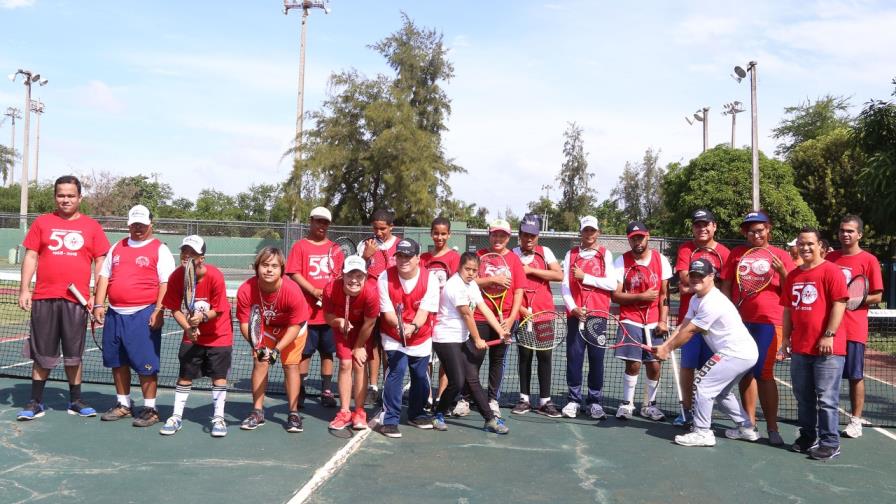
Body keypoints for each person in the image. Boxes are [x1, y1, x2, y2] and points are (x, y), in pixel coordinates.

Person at [16, 175, 111, 421]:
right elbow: (31, 256)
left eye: (70, 195)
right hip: (44, 298)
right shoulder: (42, 223)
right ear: (55, 197)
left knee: (73, 354)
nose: (65, 199)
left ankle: (76, 400)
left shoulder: (92, 227)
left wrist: (95, 295)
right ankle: (35, 402)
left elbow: (101, 262)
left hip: (76, 302)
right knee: (42, 353)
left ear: (79, 197)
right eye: (61, 195)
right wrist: (25, 289)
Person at [654, 258, 759, 447]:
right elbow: (683, 325)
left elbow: (691, 331)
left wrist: (667, 349)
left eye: (700, 275)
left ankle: (702, 432)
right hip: (743, 352)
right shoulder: (696, 299)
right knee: (722, 393)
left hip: (736, 352)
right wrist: (664, 346)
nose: (696, 279)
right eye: (693, 275)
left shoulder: (713, 302)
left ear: (711, 276)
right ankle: (746, 428)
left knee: (703, 384)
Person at [93, 205, 176, 427]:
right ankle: (123, 404)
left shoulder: (160, 249)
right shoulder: (117, 247)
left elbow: (165, 283)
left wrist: (159, 311)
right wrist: (99, 304)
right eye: (134, 224)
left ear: (151, 224)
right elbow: (104, 276)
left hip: (143, 314)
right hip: (115, 314)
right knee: (117, 362)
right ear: (128, 224)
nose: (138, 228)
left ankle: (150, 409)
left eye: (142, 224)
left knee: (145, 364)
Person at [720, 211, 794, 445]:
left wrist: (783, 272)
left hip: (769, 323)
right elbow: (727, 285)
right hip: (740, 323)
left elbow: (790, 291)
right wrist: (727, 312)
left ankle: (772, 428)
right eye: (750, 230)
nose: (755, 233)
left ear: (769, 229)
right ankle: (748, 425)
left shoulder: (781, 255)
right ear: (745, 232)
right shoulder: (736, 254)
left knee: (763, 373)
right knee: (745, 372)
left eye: (760, 229)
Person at [779, 227, 848, 460]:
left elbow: (840, 304)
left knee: (827, 399)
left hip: (828, 349)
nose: (805, 247)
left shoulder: (831, 271)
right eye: (801, 243)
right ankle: (808, 436)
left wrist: (829, 334)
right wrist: (785, 339)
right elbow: (788, 310)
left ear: (820, 246)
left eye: (810, 243)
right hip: (800, 347)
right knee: (803, 396)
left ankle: (830, 442)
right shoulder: (793, 276)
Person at [159, 235, 233, 437]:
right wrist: (189, 329)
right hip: (192, 336)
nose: (187, 256)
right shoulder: (176, 277)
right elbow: (174, 308)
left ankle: (218, 418)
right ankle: (176, 416)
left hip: (219, 334)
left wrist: (201, 318)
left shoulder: (215, 276)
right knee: (184, 376)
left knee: (219, 377)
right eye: (184, 251)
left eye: (192, 253)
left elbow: (218, 310)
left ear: (202, 257)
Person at [430, 252, 510, 434]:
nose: (471, 273)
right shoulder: (454, 286)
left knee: (472, 379)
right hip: (445, 338)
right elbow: (467, 314)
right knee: (457, 381)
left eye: (474, 270)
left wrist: (501, 331)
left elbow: (483, 308)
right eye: (468, 269)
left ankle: (489, 420)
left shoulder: (472, 284)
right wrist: (477, 339)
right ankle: (438, 414)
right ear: (459, 267)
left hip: (461, 338)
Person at [236, 247, 310, 433]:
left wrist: (276, 351)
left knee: (290, 365)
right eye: (265, 265)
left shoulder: (292, 290)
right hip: (265, 328)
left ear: (282, 270)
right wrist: (257, 346)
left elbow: (295, 326)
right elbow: (245, 323)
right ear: (257, 267)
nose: (269, 270)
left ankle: (293, 414)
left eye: (274, 266)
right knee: (260, 362)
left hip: (293, 329)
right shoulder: (246, 289)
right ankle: (258, 412)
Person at [825, 215, 883, 439]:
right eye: (842, 230)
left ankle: (855, 421)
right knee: (825, 376)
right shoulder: (830, 258)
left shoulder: (869, 260)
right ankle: (824, 417)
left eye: (850, 231)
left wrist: (850, 300)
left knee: (855, 376)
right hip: (830, 328)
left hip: (853, 329)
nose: (845, 234)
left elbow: (877, 296)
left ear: (859, 234)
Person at [671, 209, 730, 426]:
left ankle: (703, 413)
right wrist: (697, 284)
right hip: (691, 321)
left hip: (715, 324)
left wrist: (693, 286)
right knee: (688, 367)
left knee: (710, 369)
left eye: (706, 224)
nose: (702, 228)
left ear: (714, 226)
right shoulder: (686, 249)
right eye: (697, 225)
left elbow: (724, 285)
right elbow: (686, 279)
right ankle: (686, 410)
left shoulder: (724, 252)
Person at [460, 219, 524, 419]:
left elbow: (519, 291)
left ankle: (492, 400)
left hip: (504, 319)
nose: (498, 239)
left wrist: (512, 318)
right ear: (489, 235)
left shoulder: (514, 260)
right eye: (495, 234)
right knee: (473, 359)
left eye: (502, 236)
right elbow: (467, 279)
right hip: (478, 315)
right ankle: (464, 398)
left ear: (508, 238)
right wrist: (492, 279)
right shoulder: (479, 256)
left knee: (497, 360)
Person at [376, 239, 440, 438]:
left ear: (418, 258)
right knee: (397, 370)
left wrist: (412, 327)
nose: (403, 260)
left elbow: (424, 312)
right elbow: (387, 313)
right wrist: (400, 327)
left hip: (420, 335)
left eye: (408, 256)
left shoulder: (430, 279)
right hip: (393, 334)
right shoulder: (384, 277)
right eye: (400, 255)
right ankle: (390, 419)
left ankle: (417, 413)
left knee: (420, 376)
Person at [612, 221, 672, 421]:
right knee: (634, 364)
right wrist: (640, 297)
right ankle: (627, 404)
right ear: (629, 240)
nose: (637, 241)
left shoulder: (660, 260)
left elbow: (664, 295)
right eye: (633, 238)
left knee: (654, 365)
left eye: (641, 237)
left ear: (648, 236)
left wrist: (663, 321)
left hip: (655, 321)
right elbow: (616, 295)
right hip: (631, 319)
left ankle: (649, 405)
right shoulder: (621, 261)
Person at [559, 215, 616, 420]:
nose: (589, 234)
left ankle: (595, 402)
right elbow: (565, 285)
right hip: (575, 316)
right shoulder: (571, 254)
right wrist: (573, 308)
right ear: (581, 233)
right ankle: (574, 400)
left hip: (598, 316)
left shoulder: (605, 254)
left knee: (597, 359)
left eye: (593, 230)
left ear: (598, 232)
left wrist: (586, 278)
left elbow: (612, 284)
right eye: (586, 230)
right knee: (574, 358)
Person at [285, 206, 340, 408]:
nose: (321, 225)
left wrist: (328, 294)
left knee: (328, 353)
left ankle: (326, 390)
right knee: (304, 354)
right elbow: (293, 272)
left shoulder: (335, 249)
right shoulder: (299, 247)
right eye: (318, 221)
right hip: (305, 313)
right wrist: (314, 290)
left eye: (325, 222)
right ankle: (299, 389)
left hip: (329, 314)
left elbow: (340, 277)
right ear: (311, 221)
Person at [509, 214, 563, 417]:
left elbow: (558, 275)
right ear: (519, 235)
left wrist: (530, 270)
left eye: (532, 235)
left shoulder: (545, 252)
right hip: (521, 315)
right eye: (525, 235)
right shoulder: (512, 253)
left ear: (538, 236)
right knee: (524, 356)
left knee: (545, 356)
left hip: (544, 314)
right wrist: (522, 311)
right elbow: (510, 284)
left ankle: (545, 401)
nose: (528, 239)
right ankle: (524, 399)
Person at [323, 255, 379, 431]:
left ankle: (360, 412)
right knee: (345, 364)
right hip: (342, 329)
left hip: (363, 331)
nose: (354, 280)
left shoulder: (371, 293)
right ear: (343, 274)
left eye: (359, 276)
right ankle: (345, 412)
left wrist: (358, 347)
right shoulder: (331, 289)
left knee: (359, 363)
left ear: (365, 276)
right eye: (350, 275)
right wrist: (339, 321)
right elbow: (327, 316)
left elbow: (370, 323)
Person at [359, 209, 402, 407]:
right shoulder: (365, 245)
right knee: (372, 345)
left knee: (389, 347)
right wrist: (365, 257)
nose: (379, 232)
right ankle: (373, 387)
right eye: (375, 228)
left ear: (391, 227)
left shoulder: (401, 245)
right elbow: (356, 272)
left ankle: (388, 386)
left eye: (383, 228)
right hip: (370, 303)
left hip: (393, 306)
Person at [419, 216, 461, 410]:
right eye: (436, 233)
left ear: (449, 234)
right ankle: (426, 396)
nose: (439, 237)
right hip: (426, 316)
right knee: (425, 359)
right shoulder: (423, 259)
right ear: (431, 233)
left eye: (443, 233)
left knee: (445, 360)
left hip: (446, 318)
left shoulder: (454, 258)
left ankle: (441, 397)